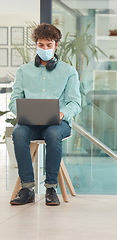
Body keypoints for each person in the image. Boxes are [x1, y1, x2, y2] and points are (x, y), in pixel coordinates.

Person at [9, 23, 81, 206]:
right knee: (18, 132)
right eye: (41, 45)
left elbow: (75, 103)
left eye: (49, 45)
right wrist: (24, 113)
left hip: (58, 124)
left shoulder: (68, 71)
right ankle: (27, 188)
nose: (45, 49)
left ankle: (51, 188)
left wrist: (62, 114)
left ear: (56, 45)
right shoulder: (23, 71)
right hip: (30, 124)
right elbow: (14, 100)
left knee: (53, 133)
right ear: (36, 44)